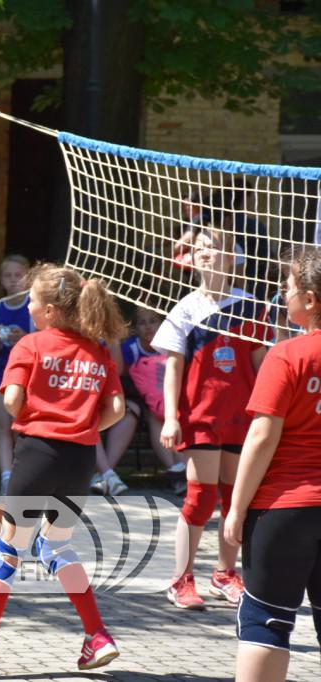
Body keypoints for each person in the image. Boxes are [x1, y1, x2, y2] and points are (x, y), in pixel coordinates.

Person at [0, 264, 127, 680]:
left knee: (8, 548)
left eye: (32, 299)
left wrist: (36, 415)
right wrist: (83, 425)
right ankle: (98, 635)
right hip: (80, 460)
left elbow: (14, 400)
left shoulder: (32, 345)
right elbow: (117, 411)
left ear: (50, 310)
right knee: (56, 547)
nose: (28, 304)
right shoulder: (98, 350)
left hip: (37, 453)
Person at [153, 225, 268, 610]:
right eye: (199, 247)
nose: (204, 252)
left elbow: (260, 364)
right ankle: (181, 579)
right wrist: (171, 417)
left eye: (213, 247)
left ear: (233, 257)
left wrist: (266, 415)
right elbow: (172, 367)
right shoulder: (186, 307)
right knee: (200, 497)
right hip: (200, 415)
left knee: (235, 497)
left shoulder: (251, 306)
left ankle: (224, 573)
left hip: (241, 417)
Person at [223, 248, 321, 682]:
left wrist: (236, 509)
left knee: (267, 619)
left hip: (283, 507)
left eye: (288, 286)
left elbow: (262, 437)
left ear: (311, 298)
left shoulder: (288, 355)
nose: (283, 295)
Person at [90, 308, 186, 496]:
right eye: (142, 322)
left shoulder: (171, 346)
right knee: (141, 412)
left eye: (153, 321)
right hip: (137, 400)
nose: (148, 327)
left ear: (161, 324)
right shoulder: (131, 348)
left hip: (166, 403)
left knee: (163, 414)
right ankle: (107, 474)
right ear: (136, 327)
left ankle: (178, 470)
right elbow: (118, 373)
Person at [0, 254, 34, 495]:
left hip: (31, 374)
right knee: (4, 427)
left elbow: (43, 344)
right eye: (8, 275)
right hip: (2, 371)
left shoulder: (35, 306)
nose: (13, 280)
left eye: (18, 275)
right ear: (1, 280)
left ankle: (24, 477)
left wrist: (24, 338)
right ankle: (6, 478)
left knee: (23, 428)